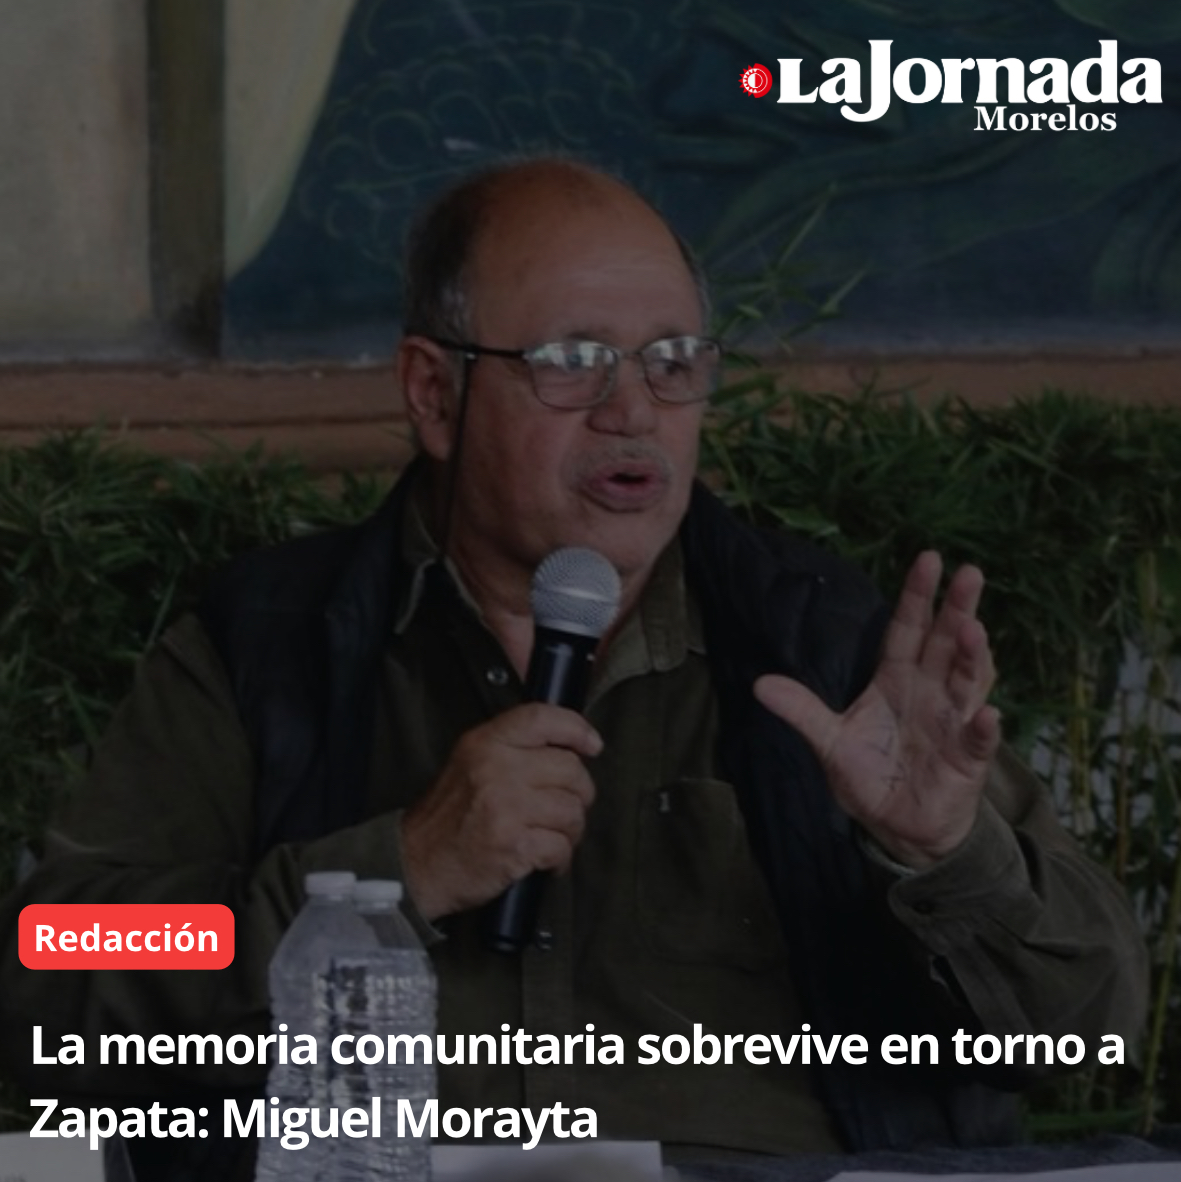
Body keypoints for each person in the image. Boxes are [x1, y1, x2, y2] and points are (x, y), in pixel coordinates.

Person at [0, 159, 1148, 1176]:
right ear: (433, 394)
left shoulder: (821, 649)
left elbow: (1084, 1037)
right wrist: (392, 873)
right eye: (571, 361)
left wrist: (944, 856)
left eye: (672, 362)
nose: (632, 410)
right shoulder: (268, 645)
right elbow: (49, 972)